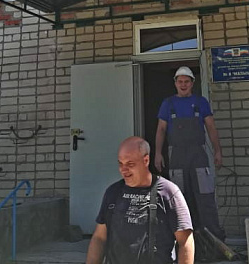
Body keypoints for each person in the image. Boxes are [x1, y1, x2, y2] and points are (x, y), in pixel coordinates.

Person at [86, 136, 194, 264]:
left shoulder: (168, 192)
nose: (123, 170)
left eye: (130, 164)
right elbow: (99, 238)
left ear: (146, 160)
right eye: (120, 163)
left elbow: (185, 241)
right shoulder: (113, 193)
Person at [154, 66, 225, 241]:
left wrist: (217, 151)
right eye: (180, 81)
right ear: (175, 83)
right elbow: (161, 129)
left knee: (205, 198)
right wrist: (157, 153)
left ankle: (213, 241)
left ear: (192, 83)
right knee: (179, 199)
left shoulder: (201, 102)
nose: (183, 84)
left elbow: (211, 127)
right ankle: (183, 242)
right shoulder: (168, 104)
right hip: (177, 156)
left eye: (187, 81)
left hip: (198, 156)